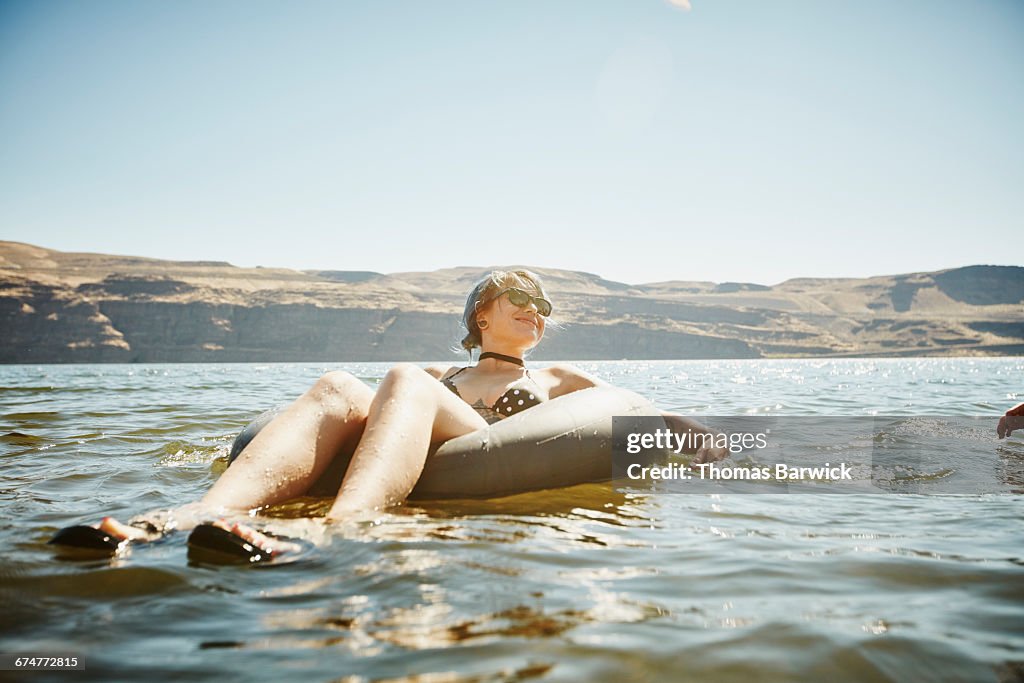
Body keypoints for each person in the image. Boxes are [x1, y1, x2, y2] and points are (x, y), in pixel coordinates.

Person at [78, 270, 729, 554]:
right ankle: (189, 515)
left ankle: (344, 528)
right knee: (337, 385)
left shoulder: (559, 376)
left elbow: (646, 415)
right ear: (483, 311)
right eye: (523, 298)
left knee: (403, 378)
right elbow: (375, 409)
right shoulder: (436, 375)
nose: (538, 311)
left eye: (545, 306)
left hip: (493, 450)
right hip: (425, 446)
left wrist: (706, 441)